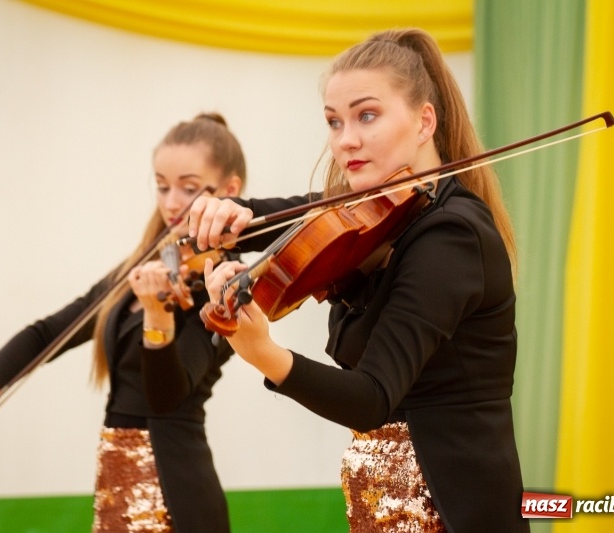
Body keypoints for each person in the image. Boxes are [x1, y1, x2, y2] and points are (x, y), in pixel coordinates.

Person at [187, 29, 529, 532]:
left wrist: (264, 353)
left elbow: (371, 398)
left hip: (446, 512)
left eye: (367, 115)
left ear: (423, 121)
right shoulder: (382, 218)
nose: (346, 140)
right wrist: (235, 214)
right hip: (383, 512)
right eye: (333, 121)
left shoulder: (452, 236)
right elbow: (296, 215)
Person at [0, 113, 246, 533]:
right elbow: (51, 331)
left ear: (230, 191)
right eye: (162, 186)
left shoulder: (225, 284)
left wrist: (157, 314)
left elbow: (166, 397)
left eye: (188, 187)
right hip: (117, 480)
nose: (170, 202)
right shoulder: (139, 269)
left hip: (175, 495)